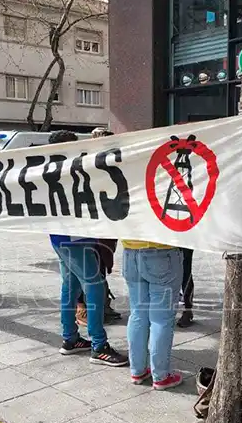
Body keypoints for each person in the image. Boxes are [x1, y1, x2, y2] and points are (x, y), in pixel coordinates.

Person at [48, 130, 128, 367]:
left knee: (70, 287)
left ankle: (70, 338)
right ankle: (99, 346)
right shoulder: (73, 170)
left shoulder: (48, 171)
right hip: (77, 238)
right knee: (94, 287)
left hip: (59, 237)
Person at [122, 239, 185, 390]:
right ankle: (161, 376)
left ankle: (137, 371)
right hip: (162, 252)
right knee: (161, 319)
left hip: (130, 252)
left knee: (137, 313)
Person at [76, 129, 122, 327]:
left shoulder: (113, 162)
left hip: (106, 225)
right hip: (87, 226)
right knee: (86, 269)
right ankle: (83, 309)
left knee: (100, 265)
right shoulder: (83, 164)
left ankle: (102, 303)